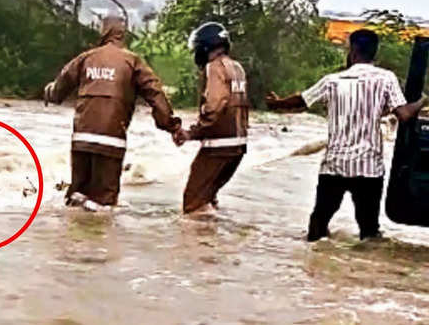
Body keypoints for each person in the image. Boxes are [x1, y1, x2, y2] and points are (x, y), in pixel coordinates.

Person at [265, 29, 429, 241]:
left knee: (318, 225)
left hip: (335, 165)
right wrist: (422, 101)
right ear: (374, 53)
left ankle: (312, 266)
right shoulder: (386, 79)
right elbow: (405, 114)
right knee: (369, 231)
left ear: (352, 51)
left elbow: (302, 101)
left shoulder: (333, 81)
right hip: (368, 168)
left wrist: (277, 103)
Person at [44, 16, 182, 212]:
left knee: (77, 195)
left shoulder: (86, 58)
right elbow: (156, 95)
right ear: (122, 34)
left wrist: (49, 93)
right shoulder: (133, 62)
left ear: (103, 32)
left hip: (82, 139)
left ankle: (72, 239)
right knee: (104, 205)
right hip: (111, 140)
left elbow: (58, 89)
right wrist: (172, 127)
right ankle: (100, 242)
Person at [173, 22, 250, 219]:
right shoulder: (237, 68)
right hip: (238, 146)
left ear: (205, 46)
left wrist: (191, 132)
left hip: (218, 146)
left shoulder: (213, 67)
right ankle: (215, 244)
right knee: (208, 198)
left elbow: (216, 104)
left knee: (193, 205)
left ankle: (199, 247)